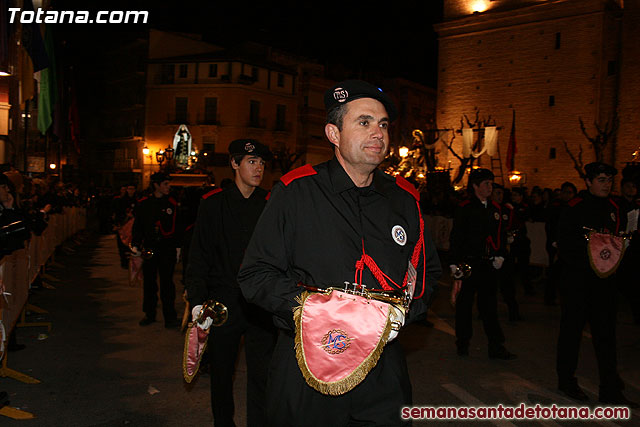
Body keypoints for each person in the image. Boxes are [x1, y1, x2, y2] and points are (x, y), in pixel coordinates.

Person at [237, 79, 442, 426]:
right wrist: (317, 311)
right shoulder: (295, 192)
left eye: (383, 124)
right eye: (364, 122)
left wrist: (401, 315)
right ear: (333, 133)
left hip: (383, 368)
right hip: (307, 366)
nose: (378, 133)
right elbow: (255, 275)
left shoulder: (405, 199)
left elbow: (427, 273)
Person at [186, 139, 277, 426]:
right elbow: (199, 253)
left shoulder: (271, 203)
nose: (258, 168)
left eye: (262, 163)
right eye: (251, 162)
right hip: (223, 301)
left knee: (262, 375)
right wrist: (198, 300)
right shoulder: (213, 204)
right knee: (222, 373)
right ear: (235, 164)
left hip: (261, 304)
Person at [556, 162, 637, 407]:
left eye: (609, 180)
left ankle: (609, 388)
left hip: (605, 284)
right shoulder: (574, 208)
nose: (606, 185)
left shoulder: (616, 207)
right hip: (578, 282)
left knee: (606, 337)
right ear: (589, 182)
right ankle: (566, 380)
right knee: (571, 333)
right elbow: (565, 244)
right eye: (601, 180)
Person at [449, 168, 516, 360]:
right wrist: (454, 263)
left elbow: (500, 235)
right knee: (464, 306)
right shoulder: (465, 207)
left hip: (488, 265)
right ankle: (463, 342)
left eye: (491, 183)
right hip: (469, 264)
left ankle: (496, 345)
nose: (490, 187)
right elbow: (457, 236)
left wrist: (501, 255)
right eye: (486, 183)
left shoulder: (496, 209)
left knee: (489, 307)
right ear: (475, 186)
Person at [131, 172, 181, 328]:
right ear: (156, 185)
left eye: (169, 184)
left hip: (167, 247)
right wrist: (136, 244)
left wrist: (178, 246)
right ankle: (149, 314)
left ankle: (170, 317)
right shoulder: (145, 203)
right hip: (150, 247)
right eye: (165, 184)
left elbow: (178, 226)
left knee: (167, 283)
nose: (169, 187)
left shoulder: (172, 204)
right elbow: (138, 225)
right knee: (150, 282)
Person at [491, 183, 520, 321]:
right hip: (491, 251)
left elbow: (514, 226)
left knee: (508, 285)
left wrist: (510, 237)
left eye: (501, 193)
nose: (500, 196)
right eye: (497, 193)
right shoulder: (487, 209)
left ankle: (513, 312)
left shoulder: (507, 209)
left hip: (505, 251)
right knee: (489, 285)